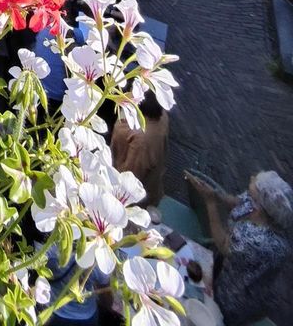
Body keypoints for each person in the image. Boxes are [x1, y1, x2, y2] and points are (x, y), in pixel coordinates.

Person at [185, 168, 293, 326]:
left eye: (252, 195)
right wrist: (216, 194)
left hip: (235, 293)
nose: (248, 196)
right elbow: (236, 201)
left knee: (213, 317)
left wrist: (211, 203)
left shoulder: (257, 240)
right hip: (227, 267)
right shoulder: (261, 206)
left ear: (259, 208)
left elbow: (223, 244)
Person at [110, 89, 168, 206]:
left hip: (129, 200)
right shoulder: (162, 117)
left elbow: (130, 178)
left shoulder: (141, 141)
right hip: (150, 187)